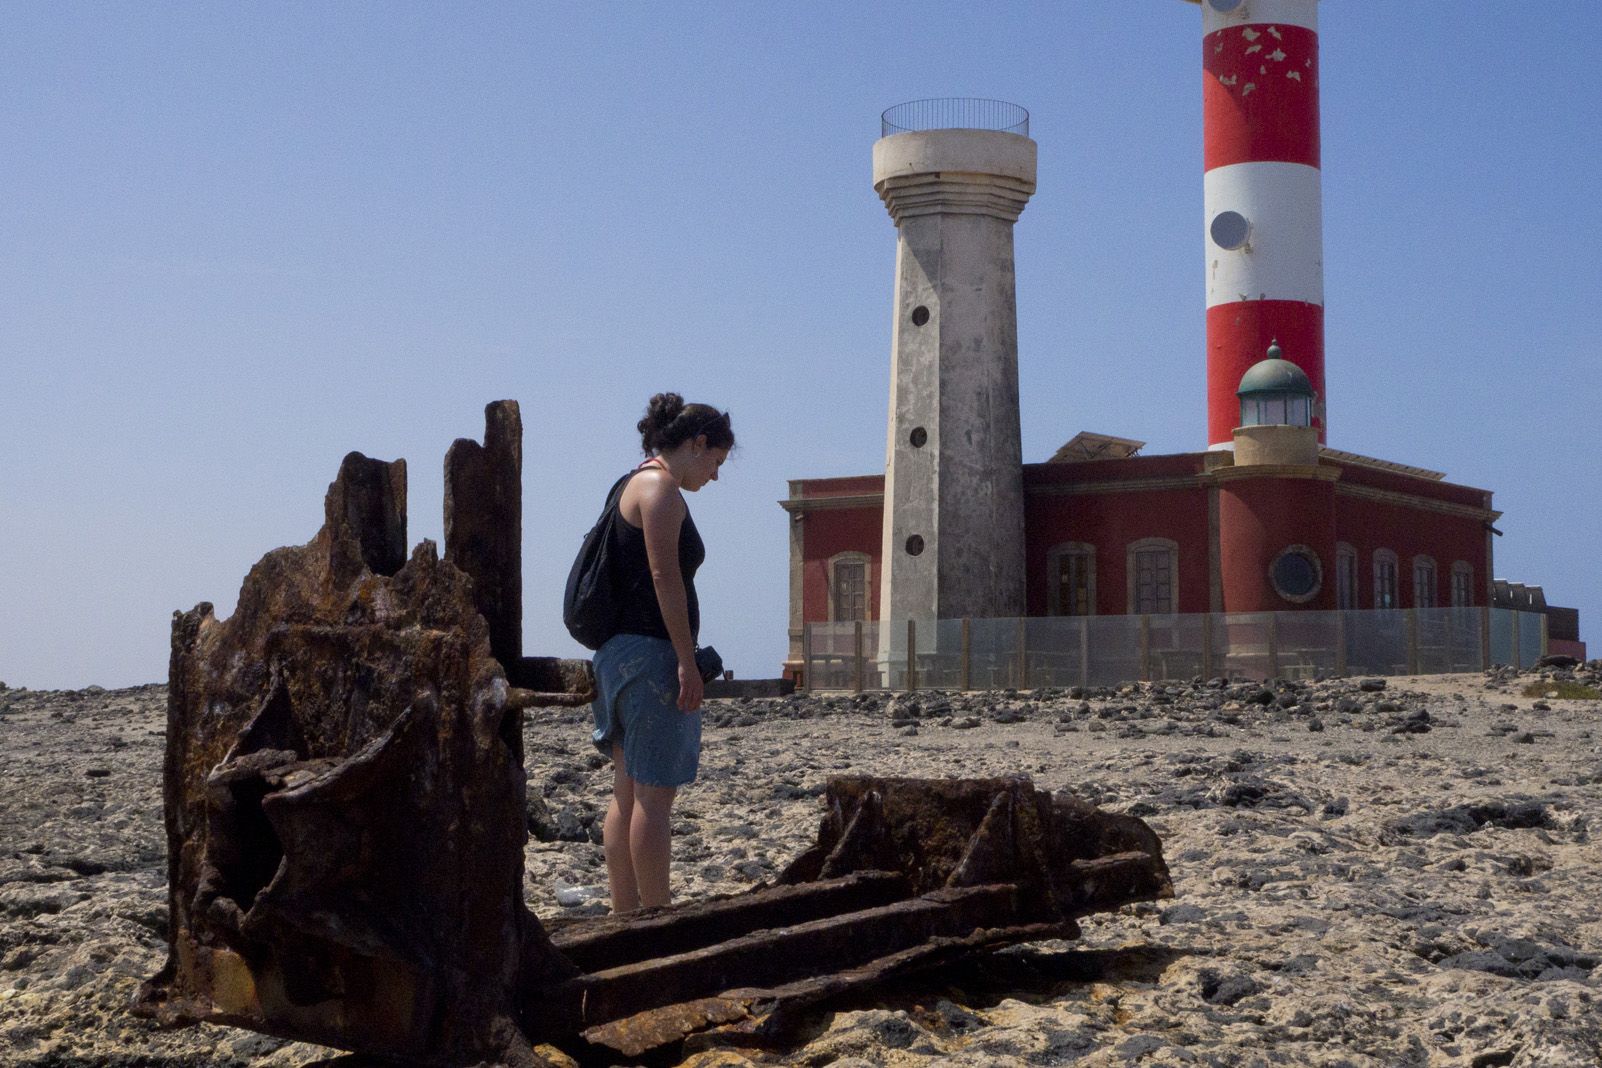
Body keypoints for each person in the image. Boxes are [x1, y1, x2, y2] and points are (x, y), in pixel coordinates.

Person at [591, 392, 733, 912]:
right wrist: (685, 659)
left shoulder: (628, 482)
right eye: (715, 461)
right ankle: (655, 918)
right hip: (651, 658)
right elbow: (663, 578)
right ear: (697, 444)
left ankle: (626, 916)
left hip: (616, 657)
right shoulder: (662, 490)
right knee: (654, 798)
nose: (714, 475)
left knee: (626, 793)